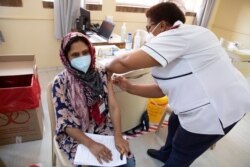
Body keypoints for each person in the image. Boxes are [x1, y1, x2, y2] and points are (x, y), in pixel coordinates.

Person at [105, 2, 250, 167]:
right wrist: (129, 87)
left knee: (182, 149)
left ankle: (172, 161)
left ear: (162, 25)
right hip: (217, 97)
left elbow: (124, 63)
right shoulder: (182, 40)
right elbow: (161, 90)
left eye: (149, 27)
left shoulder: (182, 35)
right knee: (174, 120)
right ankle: (166, 153)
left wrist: (105, 68)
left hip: (218, 109)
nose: (148, 32)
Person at [52, 32, 135, 167]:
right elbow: (64, 123)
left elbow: (113, 107)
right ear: (66, 57)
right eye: (75, 55)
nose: (82, 58)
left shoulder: (101, 73)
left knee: (128, 163)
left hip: (101, 128)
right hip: (76, 135)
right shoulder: (60, 83)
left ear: (91, 51)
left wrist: (118, 135)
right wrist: (91, 144)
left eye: (85, 52)